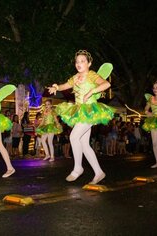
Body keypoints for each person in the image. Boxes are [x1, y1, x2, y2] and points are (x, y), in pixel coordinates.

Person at [48, 50, 114, 184]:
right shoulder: (75, 77)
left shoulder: (91, 75)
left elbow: (107, 84)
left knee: (73, 137)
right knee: (84, 144)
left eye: (82, 61)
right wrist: (57, 87)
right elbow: (65, 86)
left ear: (89, 63)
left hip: (90, 111)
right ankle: (99, 172)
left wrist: (91, 91)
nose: (79, 64)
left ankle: (78, 168)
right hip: (79, 111)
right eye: (77, 61)